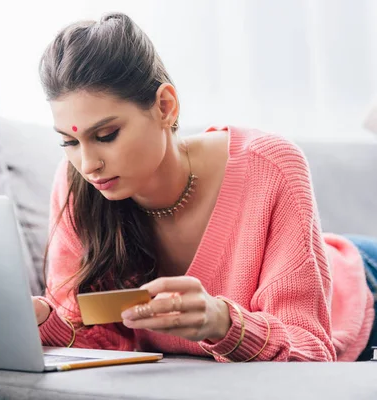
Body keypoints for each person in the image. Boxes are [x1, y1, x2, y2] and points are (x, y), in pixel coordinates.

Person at [30, 12, 377, 362]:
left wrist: (224, 323)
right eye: (69, 142)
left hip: (359, 289)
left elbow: (311, 352)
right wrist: (43, 320)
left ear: (166, 106)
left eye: (106, 135)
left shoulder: (270, 164)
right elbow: (96, 340)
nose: (88, 164)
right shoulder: (78, 184)